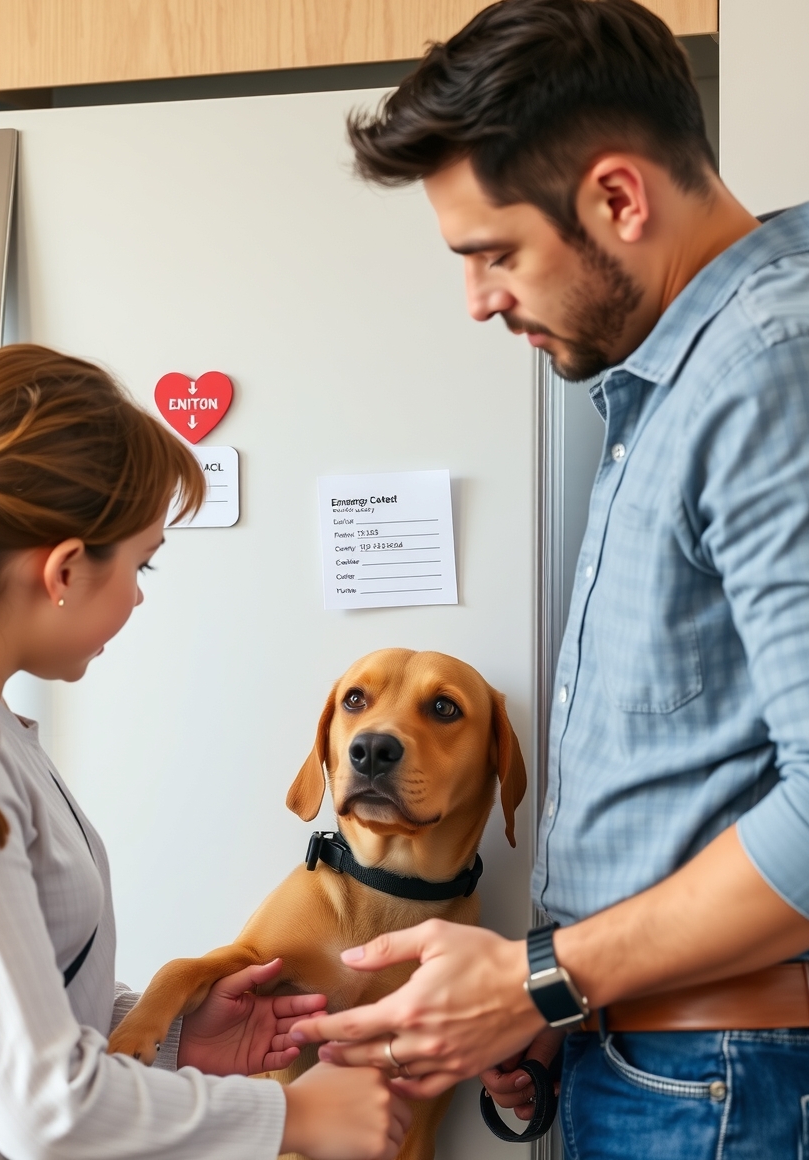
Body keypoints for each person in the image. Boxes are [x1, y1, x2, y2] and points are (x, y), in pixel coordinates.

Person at [288, 0, 809, 1155]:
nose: (476, 299)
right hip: (656, 1062)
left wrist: (540, 976)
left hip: (719, 1075)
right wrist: (550, 1008)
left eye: (492, 252)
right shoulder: (677, 376)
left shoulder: (772, 367)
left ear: (617, 199)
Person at [0, 344, 411, 1160]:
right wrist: (296, 1119)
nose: (138, 593)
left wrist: (170, 1042)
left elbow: (0, 1013)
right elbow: (43, 1109)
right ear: (64, 569)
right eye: (143, 562)